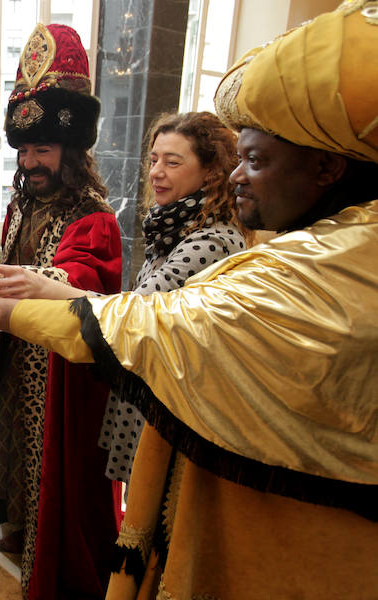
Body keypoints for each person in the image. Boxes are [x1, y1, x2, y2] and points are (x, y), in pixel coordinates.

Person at [0, 4, 378, 598]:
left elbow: (152, 321)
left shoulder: (310, 273)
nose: (240, 176)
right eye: (154, 160)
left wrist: (1, 302)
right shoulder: (313, 241)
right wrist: (23, 283)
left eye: (257, 160)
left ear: (326, 166)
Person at [0, 22, 122, 598]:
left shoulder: (94, 214)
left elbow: (80, 280)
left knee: (60, 463)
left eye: (43, 149)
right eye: (25, 149)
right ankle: (24, 526)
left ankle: (59, 551)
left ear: (71, 151)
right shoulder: (21, 205)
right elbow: (10, 262)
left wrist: (1, 285)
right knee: (14, 441)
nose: (30, 161)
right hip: (17, 353)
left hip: (62, 364)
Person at [97, 111, 251, 485]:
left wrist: (41, 287)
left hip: (176, 409)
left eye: (172, 161)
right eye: (153, 160)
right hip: (152, 392)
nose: (156, 172)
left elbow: (138, 308)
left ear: (212, 173)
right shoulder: (174, 225)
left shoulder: (213, 239)